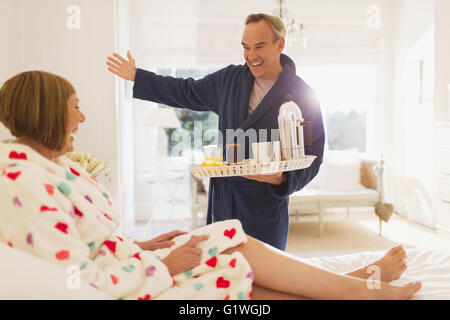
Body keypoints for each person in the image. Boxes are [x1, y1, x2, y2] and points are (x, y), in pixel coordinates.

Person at [0, 70, 421, 300]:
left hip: (132, 263)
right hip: (133, 284)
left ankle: (354, 285)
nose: (83, 119)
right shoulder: (21, 182)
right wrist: (164, 266)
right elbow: (76, 279)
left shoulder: (44, 167)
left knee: (230, 238)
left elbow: (85, 242)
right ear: (47, 112)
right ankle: (359, 289)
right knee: (238, 271)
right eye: (76, 108)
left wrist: (142, 247)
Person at [106, 13, 326, 250]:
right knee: (222, 275)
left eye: (259, 47)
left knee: (265, 280)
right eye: (246, 47)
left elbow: (313, 154)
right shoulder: (229, 80)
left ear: (280, 44)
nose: (251, 56)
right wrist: (138, 76)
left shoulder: (303, 94)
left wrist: (282, 178)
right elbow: (185, 90)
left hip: (265, 208)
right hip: (224, 203)